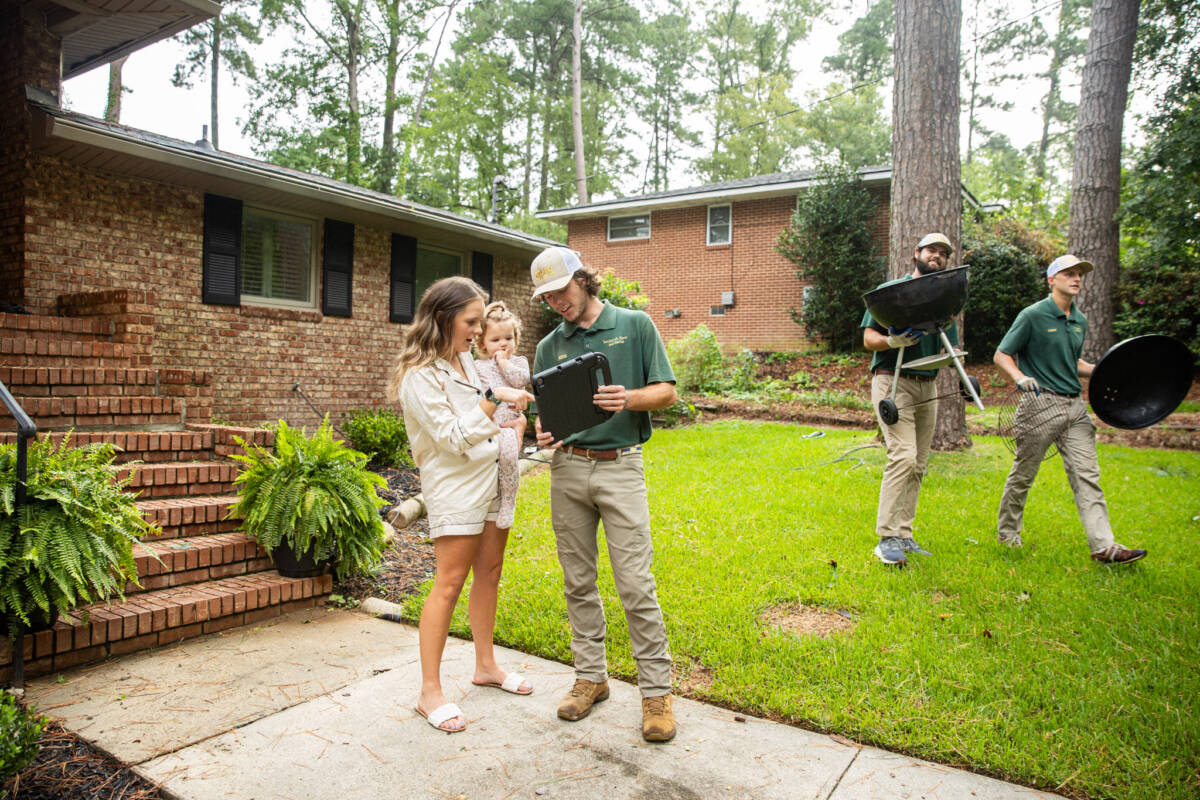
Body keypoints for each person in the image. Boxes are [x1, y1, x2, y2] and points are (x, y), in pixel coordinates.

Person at [529, 246, 679, 743]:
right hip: (567, 470)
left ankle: (656, 692)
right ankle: (591, 678)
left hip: (621, 466)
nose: (557, 303)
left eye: (561, 291)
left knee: (635, 582)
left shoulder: (634, 325)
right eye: (547, 297)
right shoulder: (549, 345)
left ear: (583, 280)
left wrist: (628, 398)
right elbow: (544, 412)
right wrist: (542, 431)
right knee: (578, 581)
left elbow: (667, 392)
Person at [387, 276, 536, 734]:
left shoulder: (470, 361)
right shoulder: (419, 377)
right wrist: (494, 402)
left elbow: (501, 410)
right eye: (470, 322)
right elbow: (453, 438)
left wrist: (518, 422)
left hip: (494, 479)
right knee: (448, 584)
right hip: (455, 489)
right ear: (442, 318)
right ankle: (429, 691)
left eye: (479, 321)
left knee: (490, 574)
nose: (477, 330)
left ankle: (486, 665)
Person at [992, 254, 1147, 564]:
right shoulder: (1032, 315)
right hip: (1040, 405)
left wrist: (1106, 370)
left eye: (1079, 274)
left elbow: (1074, 362)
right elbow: (1002, 354)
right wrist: (1020, 377)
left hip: (1075, 407)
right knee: (1024, 473)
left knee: (1087, 476)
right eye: (1068, 274)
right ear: (1052, 280)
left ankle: (1105, 546)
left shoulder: (1081, 320)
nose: (1076, 278)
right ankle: (1007, 533)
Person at [861, 232, 960, 566]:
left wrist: (957, 362)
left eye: (944, 253)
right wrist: (892, 341)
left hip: (927, 384)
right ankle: (886, 538)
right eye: (932, 249)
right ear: (916, 253)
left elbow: (952, 344)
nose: (938, 256)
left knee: (918, 464)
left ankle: (905, 535)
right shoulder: (891, 294)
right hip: (893, 382)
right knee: (903, 455)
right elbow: (868, 338)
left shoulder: (946, 298)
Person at [473, 301, 531, 531]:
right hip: (486, 427)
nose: (502, 344)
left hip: (508, 426)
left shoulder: (518, 362)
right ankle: (489, 497)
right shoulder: (478, 366)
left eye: (508, 338)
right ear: (482, 343)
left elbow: (520, 381)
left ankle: (508, 499)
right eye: (495, 340)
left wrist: (504, 363)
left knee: (508, 459)